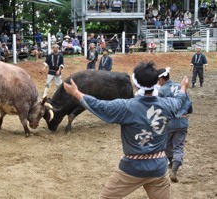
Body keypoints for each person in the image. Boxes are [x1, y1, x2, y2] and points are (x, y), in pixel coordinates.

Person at [63, 61, 189, 199]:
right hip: (158, 168)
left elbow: (98, 105)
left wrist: (76, 93)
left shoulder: (126, 107)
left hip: (131, 168)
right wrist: (183, 87)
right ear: (157, 82)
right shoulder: (168, 104)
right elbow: (180, 100)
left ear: (135, 84)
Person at [157, 67, 193, 183]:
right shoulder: (180, 87)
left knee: (167, 144)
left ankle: (171, 163)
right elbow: (189, 106)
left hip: (169, 122)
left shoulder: (162, 90)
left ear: (162, 79)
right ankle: (175, 170)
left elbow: (159, 108)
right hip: (182, 121)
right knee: (179, 146)